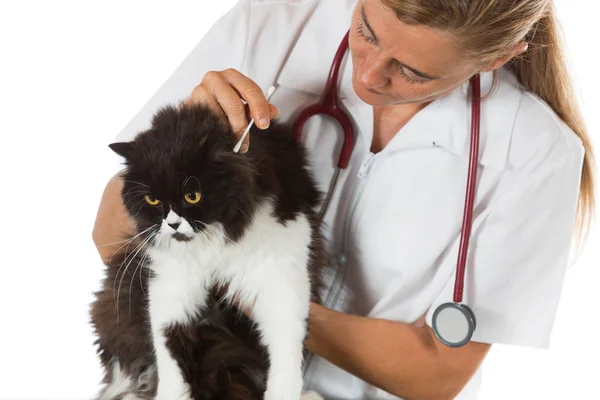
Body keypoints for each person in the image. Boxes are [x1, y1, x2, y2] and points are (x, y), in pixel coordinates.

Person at [92, 0, 596, 399]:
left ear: (498, 55)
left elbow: (435, 373)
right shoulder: (265, 30)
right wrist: (177, 140)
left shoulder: (536, 150)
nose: (369, 76)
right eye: (366, 31)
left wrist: (265, 295)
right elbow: (110, 235)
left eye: (413, 72)